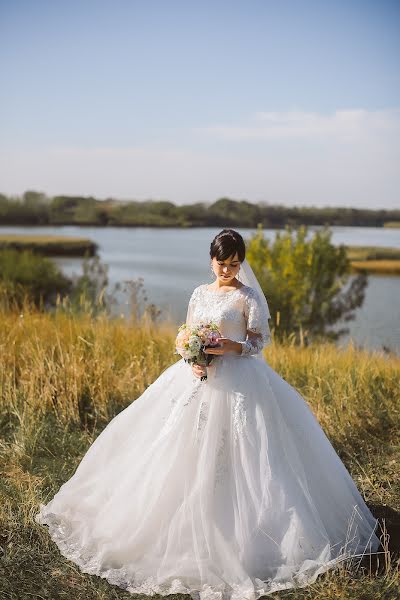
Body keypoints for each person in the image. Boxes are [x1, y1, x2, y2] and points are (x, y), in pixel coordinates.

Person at [35, 228, 380, 600]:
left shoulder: (247, 297)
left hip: (241, 379)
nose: (227, 270)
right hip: (198, 378)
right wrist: (192, 360)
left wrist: (235, 346)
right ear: (211, 259)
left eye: (234, 264)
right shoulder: (200, 292)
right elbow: (186, 334)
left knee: (247, 448)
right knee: (178, 446)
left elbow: (260, 341)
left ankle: (247, 524)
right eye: (222, 263)